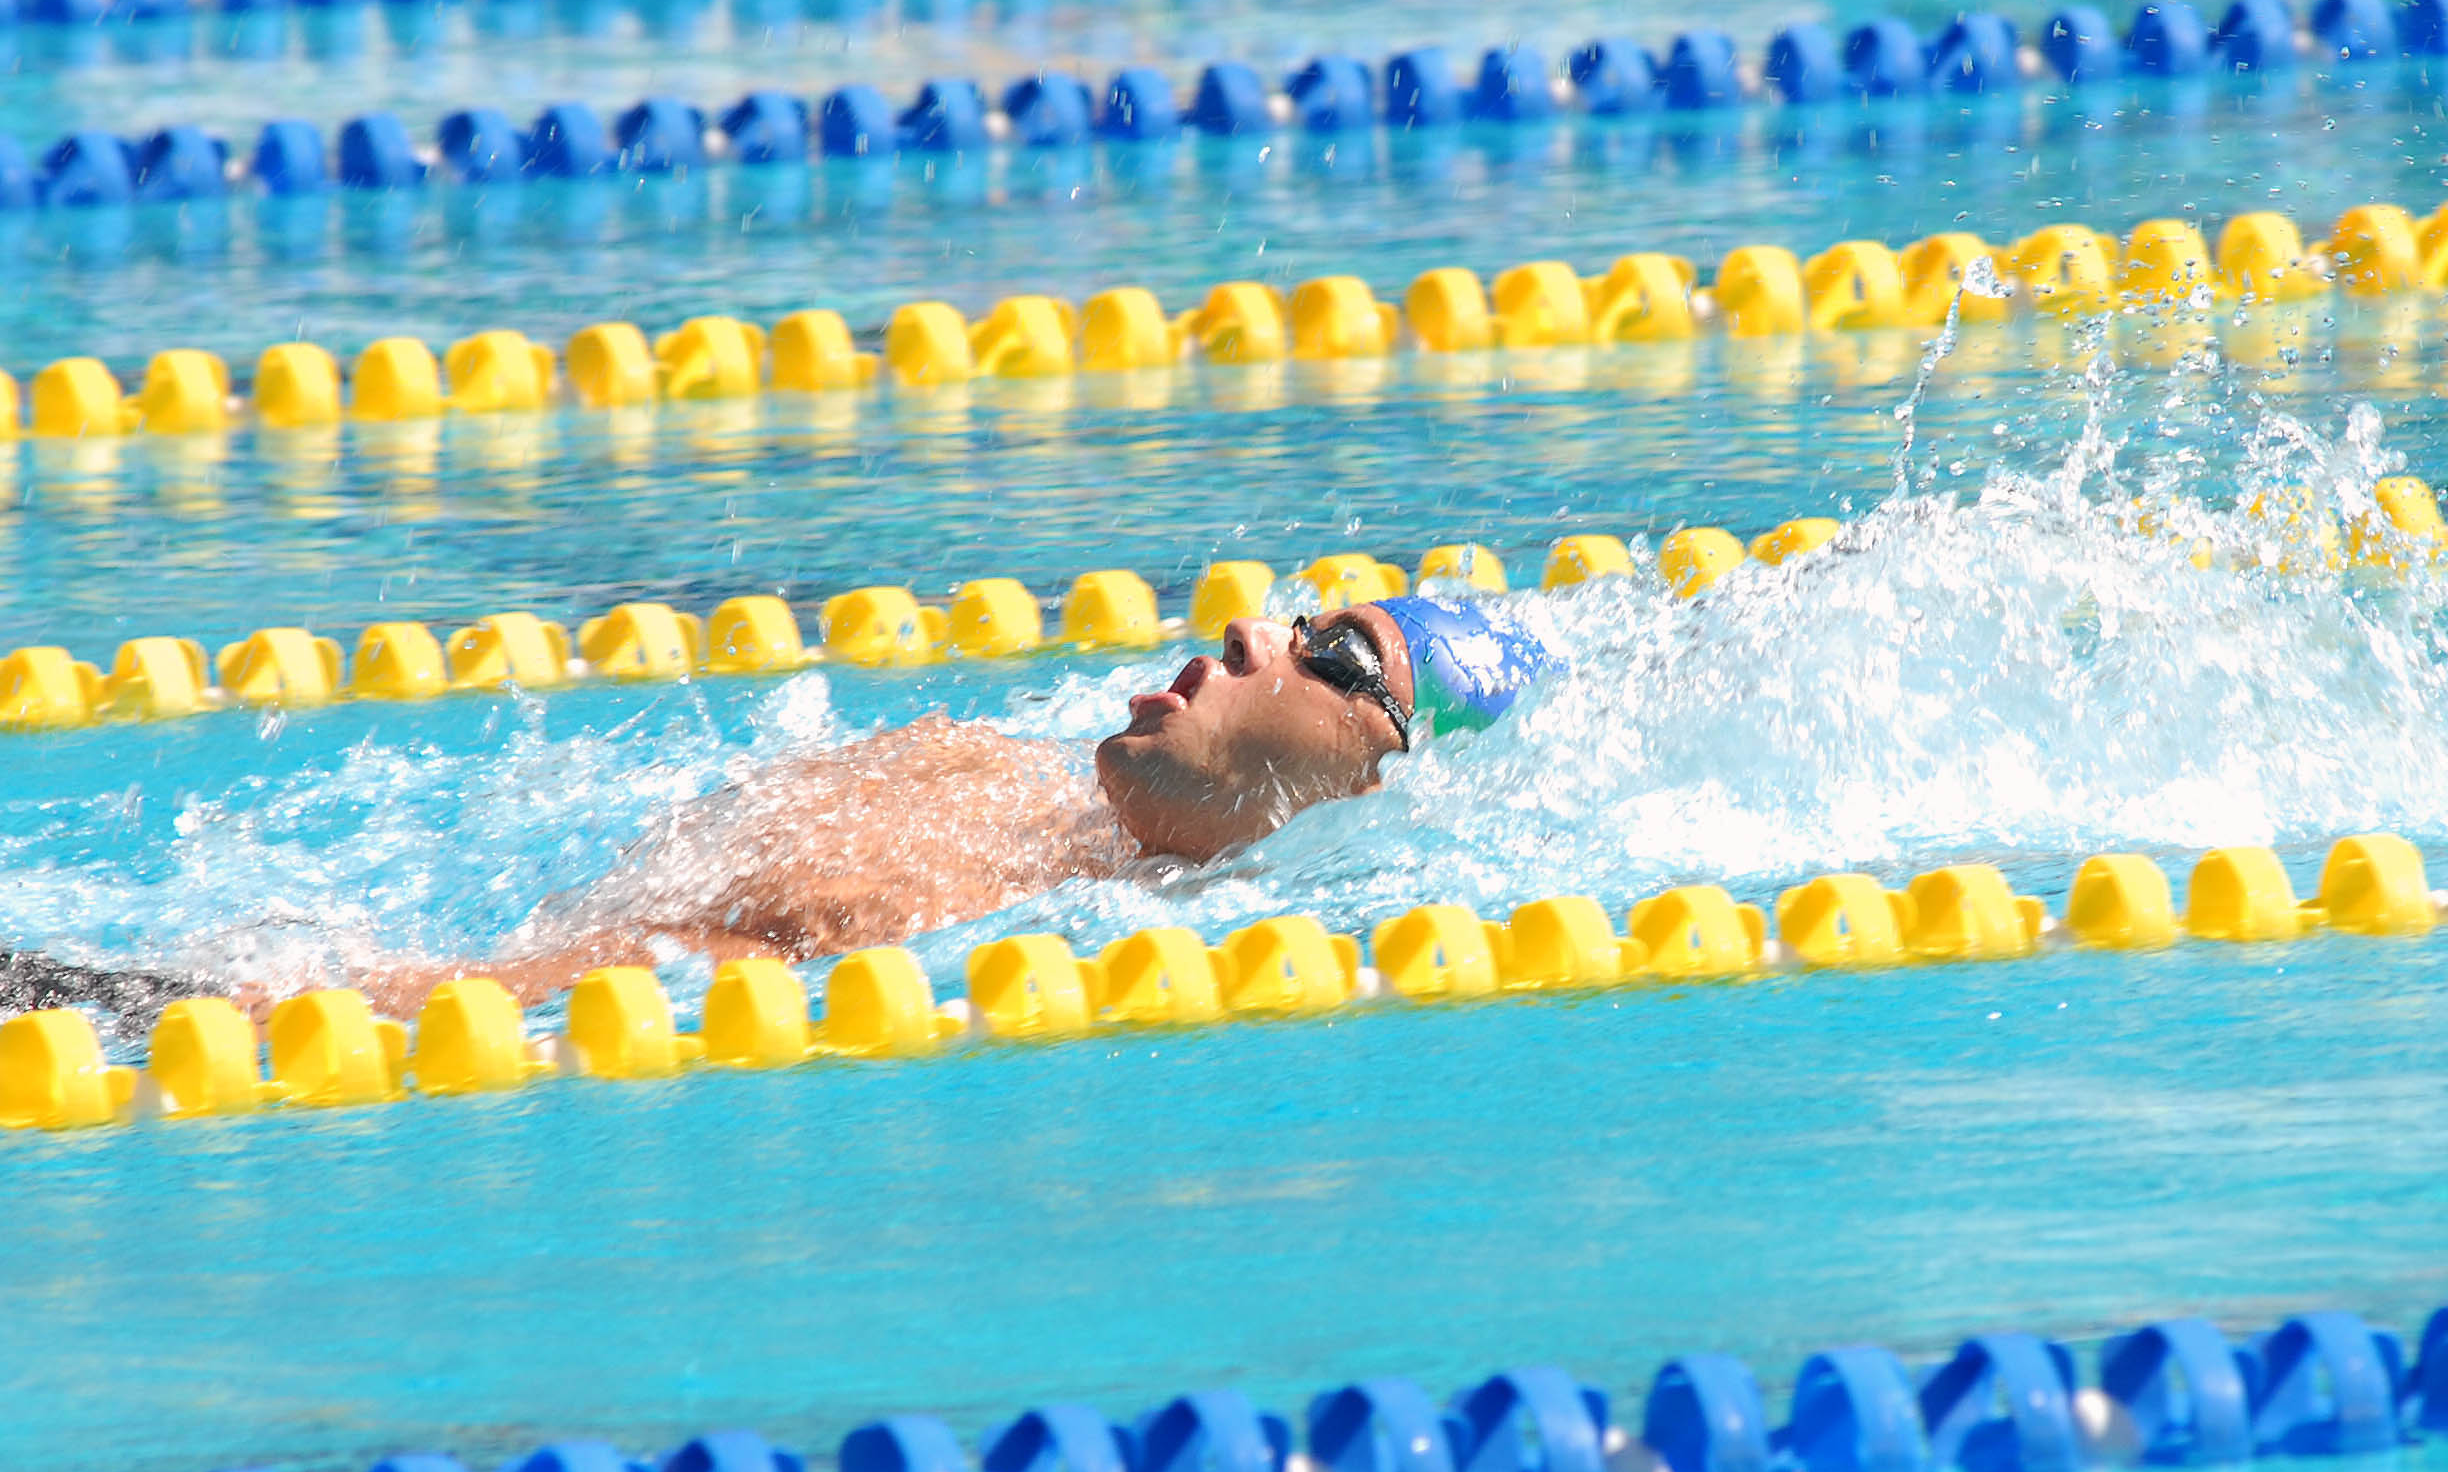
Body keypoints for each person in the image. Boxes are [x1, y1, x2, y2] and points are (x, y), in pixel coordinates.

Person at [342, 594, 1552, 1014]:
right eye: (1296, 621)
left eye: (1333, 652)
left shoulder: (1024, 945)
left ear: (1373, 780)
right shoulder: (964, 758)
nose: (1250, 631)